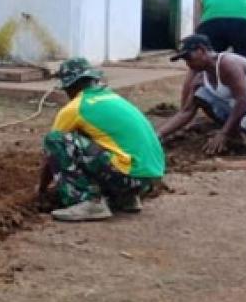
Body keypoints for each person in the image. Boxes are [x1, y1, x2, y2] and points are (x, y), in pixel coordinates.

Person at [38, 58, 165, 222]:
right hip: (150, 179)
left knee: (55, 140)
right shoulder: (114, 98)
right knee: (97, 139)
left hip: (127, 176)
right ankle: (126, 198)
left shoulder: (76, 107)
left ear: (71, 86)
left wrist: (41, 189)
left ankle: (86, 201)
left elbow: (52, 154)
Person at [158, 34, 246, 153]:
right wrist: (157, 136)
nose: (188, 63)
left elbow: (243, 101)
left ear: (202, 50)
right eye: (185, 59)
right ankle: (237, 134)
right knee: (201, 94)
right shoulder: (200, 76)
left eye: (189, 57)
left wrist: (223, 133)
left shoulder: (228, 64)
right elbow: (186, 111)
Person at [180, 0, 246, 106]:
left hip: (212, 22)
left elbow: (200, 18)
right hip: (243, 23)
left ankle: (184, 107)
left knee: (195, 68)